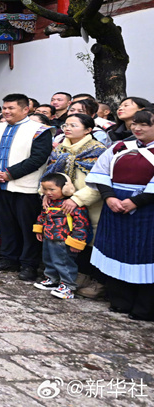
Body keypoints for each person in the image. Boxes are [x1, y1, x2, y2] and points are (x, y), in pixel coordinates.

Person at [85, 109, 154, 320]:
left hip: (147, 208)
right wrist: (108, 197)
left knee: (144, 253)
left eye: (145, 124)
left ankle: (145, 308)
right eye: (135, 123)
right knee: (116, 250)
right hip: (114, 204)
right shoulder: (120, 146)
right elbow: (100, 172)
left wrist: (136, 201)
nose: (137, 128)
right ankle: (120, 301)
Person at [0, 93, 53, 281]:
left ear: (25, 109)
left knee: (28, 228)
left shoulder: (39, 130)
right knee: (6, 224)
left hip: (25, 187)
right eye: (4, 108)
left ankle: (29, 265)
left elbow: (39, 158)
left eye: (11, 108)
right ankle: (8, 258)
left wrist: (10, 173)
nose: (6, 111)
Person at [43, 113, 106, 297]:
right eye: (66, 125)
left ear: (88, 130)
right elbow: (49, 175)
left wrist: (76, 199)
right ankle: (73, 277)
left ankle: (95, 280)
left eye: (74, 125)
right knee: (65, 243)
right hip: (60, 206)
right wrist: (45, 194)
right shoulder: (60, 150)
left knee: (88, 241)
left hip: (88, 204)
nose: (67, 128)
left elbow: (100, 182)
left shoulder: (98, 150)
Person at [33, 173, 91, 299]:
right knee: (48, 259)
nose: (48, 193)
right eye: (45, 189)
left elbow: (81, 224)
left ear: (65, 189)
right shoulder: (49, 203)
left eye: (52, 189)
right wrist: (39, 229)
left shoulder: (72, 205)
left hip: (64, 240)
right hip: (48, 237)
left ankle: (68, 286)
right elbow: (42, 217)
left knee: (64, 263)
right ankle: (52, 279)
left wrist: (77, 241)